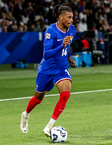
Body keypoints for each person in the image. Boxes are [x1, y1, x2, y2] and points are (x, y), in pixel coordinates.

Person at [20, 5, 76, 137]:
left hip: (61, 69)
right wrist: (60, 45)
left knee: (65, 94)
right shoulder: (51, 31)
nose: (71, 20)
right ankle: (26, 114)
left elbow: (67, 46)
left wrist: (69, 57)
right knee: (38, 98)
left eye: (72, 17)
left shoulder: (72, 30)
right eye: (69, 17)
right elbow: (46, 54)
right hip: (47, 69)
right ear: (61, 17)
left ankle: (49, 126)